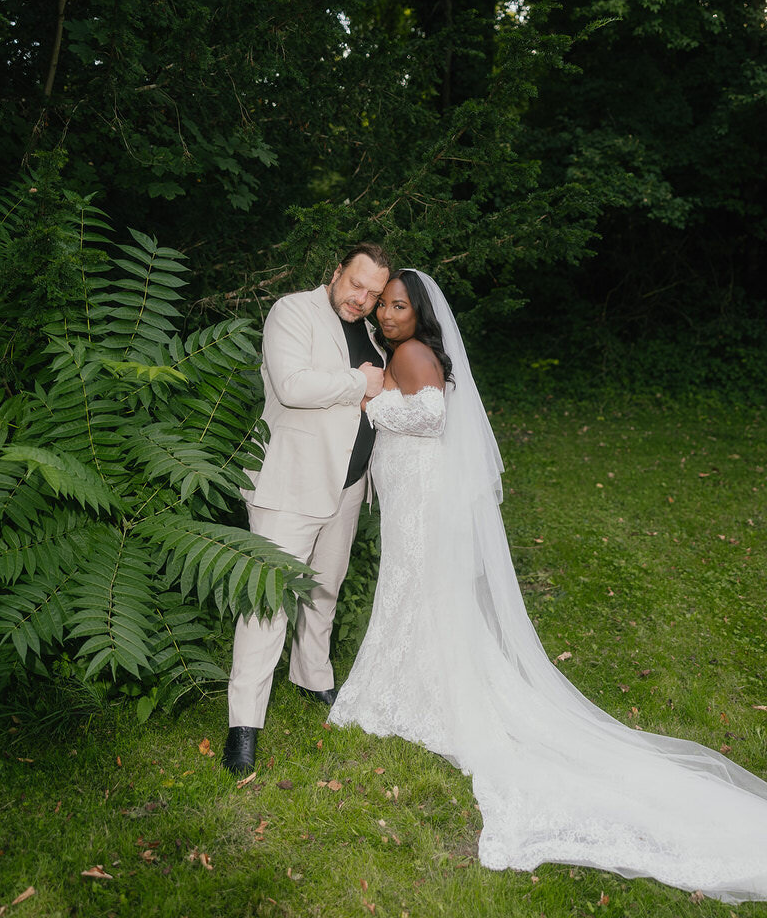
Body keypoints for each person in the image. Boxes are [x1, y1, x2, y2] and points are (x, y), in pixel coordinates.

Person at [330, 270, 767, 903]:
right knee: (417, 593)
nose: (390, 315)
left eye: (400, 306)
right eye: (386, 306)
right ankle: (411, 681)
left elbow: (429, 414)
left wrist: (372, 402)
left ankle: (416, 690)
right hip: (413, 496)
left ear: (420, 314)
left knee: (418, 589)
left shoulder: (409, 352)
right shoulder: (405, 350)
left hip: (422, 501)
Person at [222, 244, 391, 776]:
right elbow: (293, 387)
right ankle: (243, 726)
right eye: (355, 284)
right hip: (291, 484)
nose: (361, 299)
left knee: (324, 588)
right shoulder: (292, 311)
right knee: (267, 603)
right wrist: (360, 383)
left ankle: (312, 677)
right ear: (337, 271)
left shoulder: (370, 333)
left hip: (346, 484)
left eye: (372, 293)